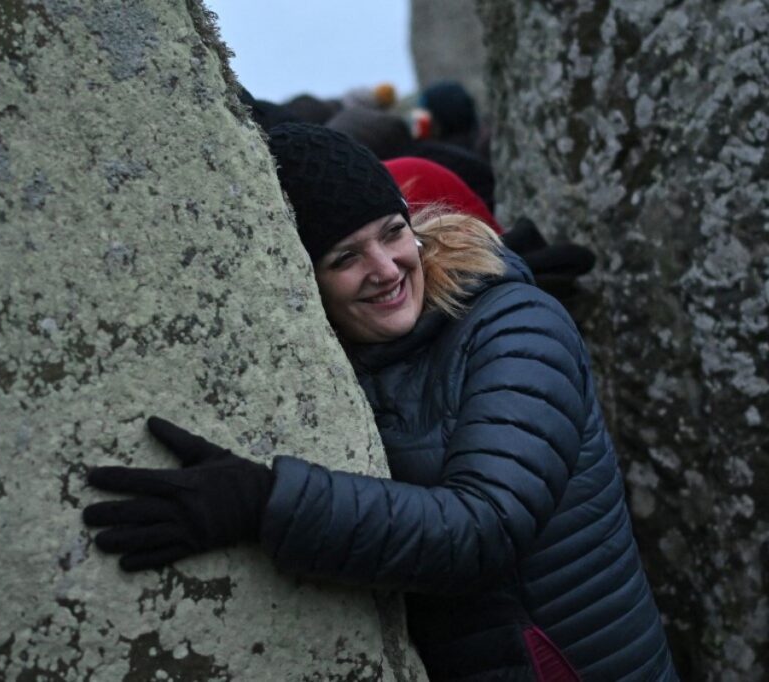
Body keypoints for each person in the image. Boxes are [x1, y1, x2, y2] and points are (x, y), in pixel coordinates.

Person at [83, 123, 677, 681]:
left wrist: (264, 502)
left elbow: (487, 526)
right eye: (345, 257)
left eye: (392, 232)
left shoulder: (516, 325)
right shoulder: (338, 361)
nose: (385, 268)